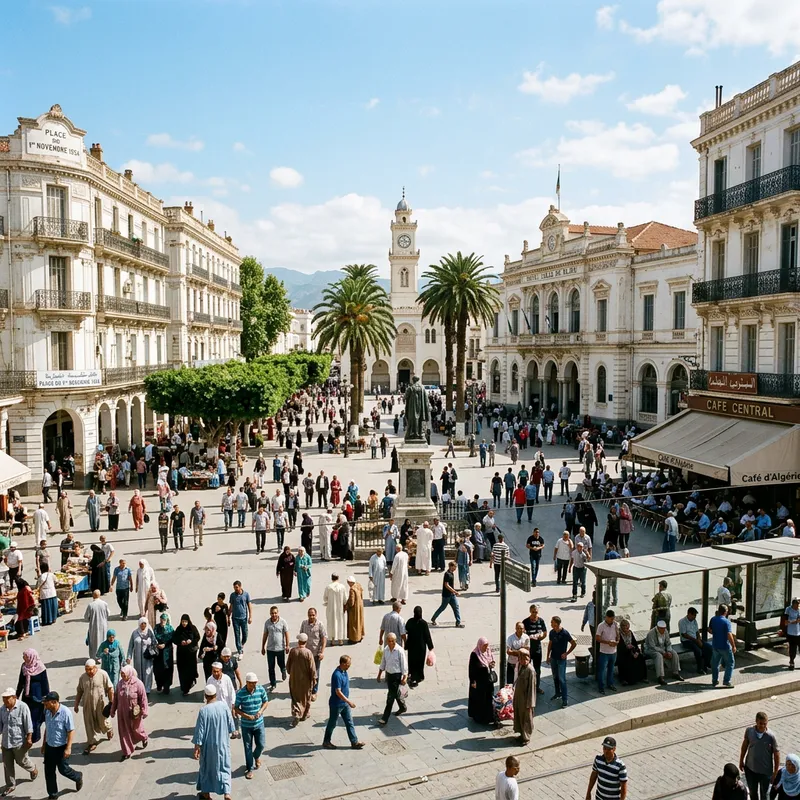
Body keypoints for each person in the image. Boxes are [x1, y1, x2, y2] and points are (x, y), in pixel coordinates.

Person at [193, 684, 234, 800]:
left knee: (206, 768)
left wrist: (197, 747)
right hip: (223, 744)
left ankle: (206, 794)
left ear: (206, 696)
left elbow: (200, 731)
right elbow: (231, 724)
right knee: (225, 766)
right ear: (215, 694)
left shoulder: (203, 711)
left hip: (208, 746)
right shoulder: (224, 706)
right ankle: (227, 793)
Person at [41, 691, 82, 799]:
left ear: (54, 702)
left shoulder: (65, 712)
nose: (45, 705)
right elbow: (47, 728)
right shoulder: (47, 711)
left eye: (47, 703)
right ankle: (53, 794)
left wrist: (68, 748)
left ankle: (77, 776)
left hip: (61, 747)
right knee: (49, 771)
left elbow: (71, 731)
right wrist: (44, 744)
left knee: (63, 769)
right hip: (50, 746)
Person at [322, 655, 365, 749]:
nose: (350, 665)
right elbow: (338, 691)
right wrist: (349, 701)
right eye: (348, 664)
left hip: (344, 704)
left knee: (349, 722)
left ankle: (354, 742)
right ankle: (326, 741)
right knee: (332, 723)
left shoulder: (345, 671)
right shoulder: (336, 675)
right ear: (343, 663)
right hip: (336, 704)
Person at [0, 686, 37, 794]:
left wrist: (29, 738)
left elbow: (28, 724)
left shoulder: (22, 707)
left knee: (22, 761)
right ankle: (10, 785)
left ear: (14, 697)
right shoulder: (2, 709)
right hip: (6, 742)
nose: (5, 700)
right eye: (3, 698)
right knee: (7, 764)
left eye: (7, 698)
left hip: (19, 742)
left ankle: (33, 768)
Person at [234, 672, 268, 779]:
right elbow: (235, 708)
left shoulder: (260, 690)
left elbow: (265, 702)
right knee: (247, 747)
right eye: (251, 683)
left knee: (261, 744)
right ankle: (249, 768)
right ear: (247, 682)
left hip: (259, 724)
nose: (253, 685)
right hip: (246, 726)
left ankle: (256, 756)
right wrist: (246, 716)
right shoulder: (240, 694)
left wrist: (260, 711)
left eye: (255, 683)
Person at [740, 711, 780, 800]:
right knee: (753, 793)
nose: (762, 726)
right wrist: (741, 760)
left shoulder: (771, 736)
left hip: (765, 772)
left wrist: (775, 772)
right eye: (760, 723)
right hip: (751, 769)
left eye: (764, 724)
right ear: (756, 721)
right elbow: (744, 746)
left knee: (764, 794)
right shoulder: (749, 731)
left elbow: (776, 755)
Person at [111, 664, 148, 761]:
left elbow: (143, 698)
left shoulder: (138, 683)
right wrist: (113, 710)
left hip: (134, 713)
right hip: (122, 713)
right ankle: (127, 751)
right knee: (124, 732)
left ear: (129, 673)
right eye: (121, 674)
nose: (123, 676)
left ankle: (143, 737)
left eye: (124, 674)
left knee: (137, 729)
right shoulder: (119, 684)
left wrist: (144, 711)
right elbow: (116, 698)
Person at [16, 650, 48, 745]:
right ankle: (27, 734)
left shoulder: (41, 667)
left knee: (35, 719)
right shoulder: (24, 666)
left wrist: (46, 698)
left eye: (25, 656)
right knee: (26, 717)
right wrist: (17, 694)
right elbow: (21, 681)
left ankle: (34, 737)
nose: (24, 658)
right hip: (27, 697)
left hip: (37, 698)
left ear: (31, 656)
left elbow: (45, 683)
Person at [377, 633, 407, 725]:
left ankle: (385, 718)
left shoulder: (399, 650)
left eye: (392, 641)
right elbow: (383, 663)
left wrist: (404, 677)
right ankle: (402, 707)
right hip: (388, 675)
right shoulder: (386, 649)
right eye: (389, 641)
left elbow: (404, 664)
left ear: (395, 640)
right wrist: (379, 675)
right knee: (395, 693)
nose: (390, 643)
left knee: (390, 697)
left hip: (396, 675)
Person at [547, 615, 576, 708]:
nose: (551, 624)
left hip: (561, 660)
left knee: (562, 679)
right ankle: (557, 693)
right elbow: (550, 644)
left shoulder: (564, 633)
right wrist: (547, 656)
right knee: (555, 677)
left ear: (556, 623)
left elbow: (573, 643)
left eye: (552, 622)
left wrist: (566, 653)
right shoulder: (552, 632)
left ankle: (565, 699)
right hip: (553, 658)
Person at [286, 634, 316, 726]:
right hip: (306, 680)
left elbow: (288, 666)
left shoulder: (293, 651)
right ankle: (304, 714)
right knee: (306, 696)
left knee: (295, 697)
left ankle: (297, 713)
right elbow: (312, 668)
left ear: (298, 641)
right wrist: (314, 679)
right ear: (306, 642)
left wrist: (291, 673)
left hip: (294, 679)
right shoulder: (308, 653)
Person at [586, 736, 628, 800]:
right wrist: (588, 792)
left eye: (609, 749)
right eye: (604, 748)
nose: (606, 751)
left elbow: (623, 788)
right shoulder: (598, 759)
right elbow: (593, 777)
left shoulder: (620, 766)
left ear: (614, 749)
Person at [644, 620, 684, 686]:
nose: (663, 630)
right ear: (658, 628)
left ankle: (675, 673)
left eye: (664, 629)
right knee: (659, 656)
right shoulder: (651, 633)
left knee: (674, 653)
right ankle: (660, 677)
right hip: (651, 650)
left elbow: (668, 643)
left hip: (662, 648)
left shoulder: (665, 632)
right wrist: (663, 652)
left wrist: (668, 651)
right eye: (661, 629)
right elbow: (652, 646)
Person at [468, 637, 496, 726]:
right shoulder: (475, 654)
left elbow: (491, 660)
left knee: (489, 698)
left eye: (487, 645)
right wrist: (473, 682)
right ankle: (479, 717)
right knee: (480, 699)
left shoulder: (488, 651)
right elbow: (471, 669)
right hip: (479, 681)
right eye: (484, 646)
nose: (486, 648)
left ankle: (489, 716)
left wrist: (491, 664)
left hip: (488, 681)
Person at [261, 606, 290, 690]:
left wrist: (287, 645)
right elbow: (265, 635)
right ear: (270, 614)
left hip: (280, 648)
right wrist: (263, 646)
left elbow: (286, 634)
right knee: (271, 667)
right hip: (270, 649)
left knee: (281, 663)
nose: (274, 615)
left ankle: (283, 670)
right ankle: (273, 683)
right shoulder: (267, 623)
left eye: (275, 613)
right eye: (272, 613)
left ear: (278, 613)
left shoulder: (283, 622)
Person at [404, 606, 433, 688]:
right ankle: (419, 676)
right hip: (421, 647)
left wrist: (405, 643)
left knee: (411, 661)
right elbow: (427, 636)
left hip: (412, 646)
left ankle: (411, 674)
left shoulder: (410, 621)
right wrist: (430, 647)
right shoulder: (423, 623)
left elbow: (406, 631)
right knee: (420, 662)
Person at [710, 603, 736, 688]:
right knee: (730, 663)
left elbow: (710, 630)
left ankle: (714, 680)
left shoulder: (713, 619)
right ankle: (726, 681)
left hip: (715, 645)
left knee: (715, 664)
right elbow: (729, 634)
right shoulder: (726, 621)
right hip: (725, 646)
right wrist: (733, 645)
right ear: (725, 612)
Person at [679, 607, 712, 674]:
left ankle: (707, 664)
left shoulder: (694, 621)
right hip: (687, 641)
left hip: (695, 639)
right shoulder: (682, 621)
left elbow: (697, 631)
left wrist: (699, 639)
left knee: (708, 647)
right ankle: (699, 668)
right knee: (698, 650)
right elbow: (684, 634)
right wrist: (696, 641)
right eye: (693, 615)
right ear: (689, 614)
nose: (694, 617)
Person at [173, 614, 200, 696]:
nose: (184, 623)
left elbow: (197, 637)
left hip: (190, 654)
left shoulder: (192, 628)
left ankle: (190, 682)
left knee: (190, 670)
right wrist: (180, 642)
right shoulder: (178, 629)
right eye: (183, 622)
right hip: (181, 654)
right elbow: (174, 639)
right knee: (182, 671)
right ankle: (184, 688)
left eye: (185, 621)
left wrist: (191, 641)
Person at [430, 562, 464, 628]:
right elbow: (446, 585)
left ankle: (458, 622)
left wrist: (453, 592)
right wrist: (455, 591)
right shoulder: (447, 574)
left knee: (456, 607)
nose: (455, 569)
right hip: (446, 595)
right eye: (454, 567)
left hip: (452, 595)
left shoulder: (452, 573)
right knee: (442, 608)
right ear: (451, 566)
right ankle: (433, 618)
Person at [127, 618, 156, 694]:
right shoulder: (135, 633)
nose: (143, 625)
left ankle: (147, 689)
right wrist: (129, 657)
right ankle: (139, 688)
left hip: (147, 657)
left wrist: (149, 642)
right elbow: (131, 646)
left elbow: (155, 642)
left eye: (145, 624)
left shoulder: (149, 632)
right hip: (138, 658)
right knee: (138, 672)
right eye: (141, 624)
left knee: (147, 672)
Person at [512, 648, 535, 745]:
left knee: (526, 718)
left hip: (526, 699)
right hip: (519, 697)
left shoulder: (530, 670)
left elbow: (532, 688)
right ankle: (521, 734)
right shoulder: (521, 666)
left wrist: (530, 703)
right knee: (519, 716)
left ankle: (526, 737)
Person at [616, 618, 647, 686]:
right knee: (627, 659)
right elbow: (620, 647)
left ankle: (642, 677)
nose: (627, 630)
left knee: (640, 657)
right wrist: (627, 647)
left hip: (631, 650)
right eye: (625, 628)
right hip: (623, 653)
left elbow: (634, 644)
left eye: (628, 628)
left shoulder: (630, 633)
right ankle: (626, 679)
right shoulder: (619, 634)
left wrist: (636, 652)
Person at [595, 609, 620, 694]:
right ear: (606, 617)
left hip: (613, 652)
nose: (612, 621)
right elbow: (597, 638)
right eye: (610, 619)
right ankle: (601, 686)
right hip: (604, 652)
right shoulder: (601, 626)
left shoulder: (615, 624)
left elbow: (618, 635)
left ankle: (610, 684)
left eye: (613, 619)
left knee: (611, 669)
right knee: (602, 670)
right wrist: (608, 642)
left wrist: (616, 642)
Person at [228, 581, 252, 658]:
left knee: (245, 634)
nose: (236, 589)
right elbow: (231, 606)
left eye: (237, 587)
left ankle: (242, 644)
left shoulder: (246, 594)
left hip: (244, 618)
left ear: (240, 587)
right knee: (237, 635)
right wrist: (228, 617)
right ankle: (240, 650)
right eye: (234, 588)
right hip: (235, 619)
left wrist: (250, 616)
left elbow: (249, 605)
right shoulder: (232, 595)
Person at [84, 589, 109, 657]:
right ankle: (101, 656)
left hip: (93, 626)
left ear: (93, 595)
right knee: (103, 640)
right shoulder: (104, 604)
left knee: (94, 642)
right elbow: (108, 614)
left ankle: (94, 656)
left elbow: (86, 617)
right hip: (103, 626)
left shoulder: (91, 605)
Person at [323, 574, 348, 646]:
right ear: (338, 578)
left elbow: (325, 598)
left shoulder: (328, 587)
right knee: (340, 622)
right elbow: (345, 599)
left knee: (331, 623)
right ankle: (340, 640)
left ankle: (333, 640)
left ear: (331, 578)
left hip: (331, 608)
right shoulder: (342, 587)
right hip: (340, 608)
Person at [781, 598, 800, 670]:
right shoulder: (788, 609)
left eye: (798, 605)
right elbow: (786, 622)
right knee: (792, 648)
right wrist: (793, 621)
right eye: (796, 605)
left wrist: (794, 621)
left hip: (798, 632)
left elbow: (799, 619)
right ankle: (791, 662)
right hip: (791, 632)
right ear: (793, 604)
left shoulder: (798, 610)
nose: (797, 607)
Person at [345, 576, 365, 644]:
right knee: (360, 622)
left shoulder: (352, 589)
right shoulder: (358, 585)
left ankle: (354, 638)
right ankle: (360, 636)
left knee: (354, 623)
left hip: (354, 609)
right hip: (360, 606)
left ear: (350, 582)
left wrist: (347, 606)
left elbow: (351, 602)